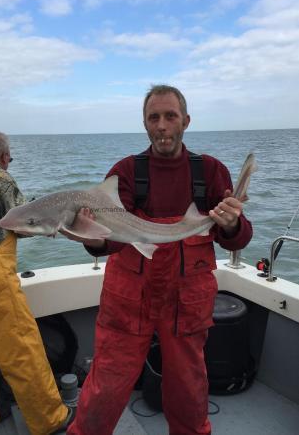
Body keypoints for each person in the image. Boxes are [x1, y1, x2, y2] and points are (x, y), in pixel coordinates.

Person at [63, 85, 253, 435]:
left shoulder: (211, 171)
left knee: (189, 388)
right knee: (105, 385)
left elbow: (238, 239)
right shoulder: (124, 171)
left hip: (188, 298)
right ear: (145, 124)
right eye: (154, 118)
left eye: (170, 116)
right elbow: (111, 240)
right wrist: (91, 238)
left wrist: (232, 223)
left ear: (186, 121)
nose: (162, 125)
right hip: (129, 298)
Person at [0, 131, 74, 435]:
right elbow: (26, 222)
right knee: (20, 345)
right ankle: (50, 418)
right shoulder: (0, 177)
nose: (9, 163)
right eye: (10, 158)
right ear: (2, 156)